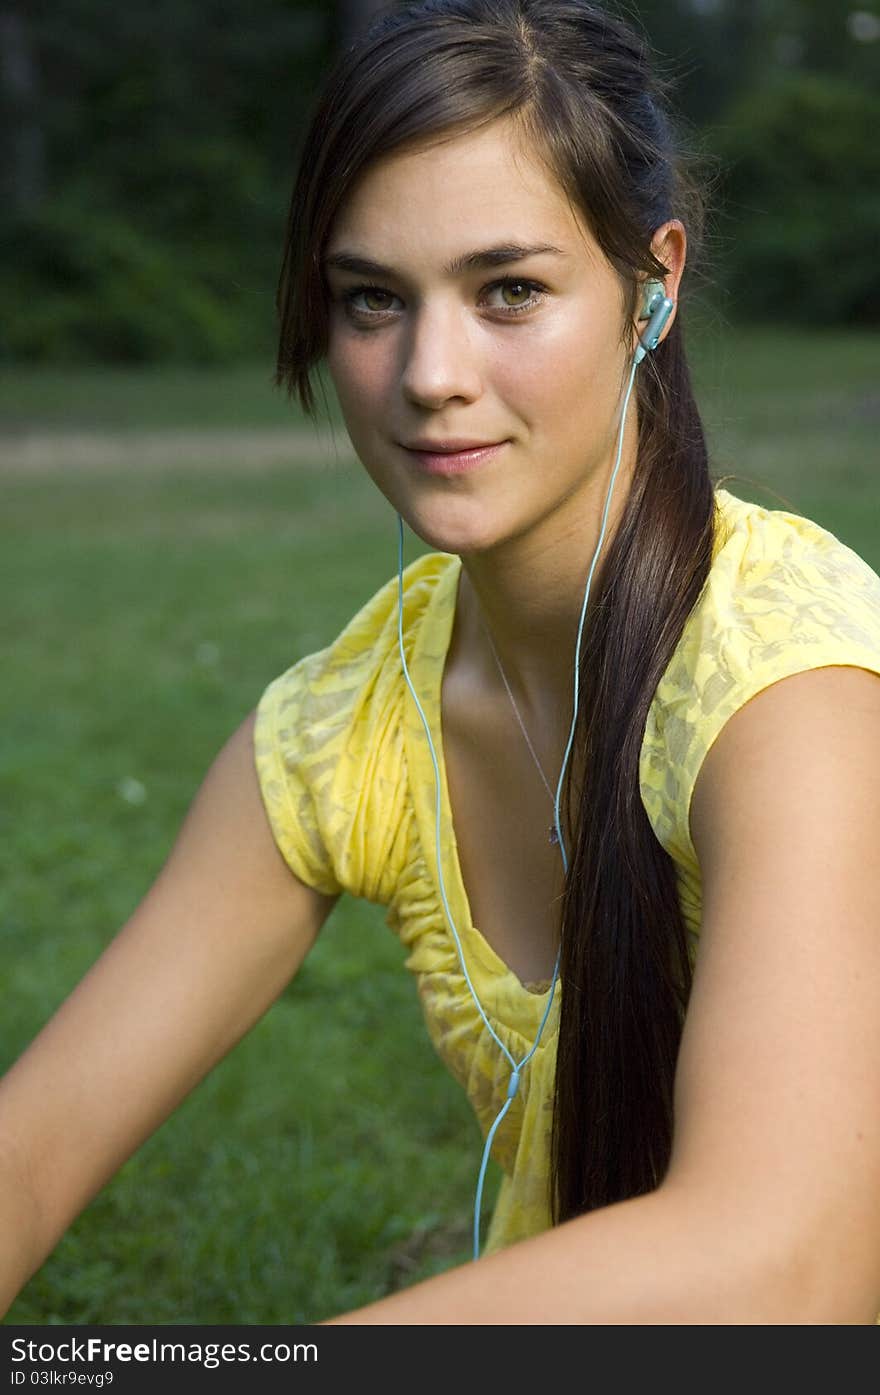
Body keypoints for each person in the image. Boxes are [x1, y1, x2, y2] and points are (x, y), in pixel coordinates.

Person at [3, 0, 880, 1325]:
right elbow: (32, 1149)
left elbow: (784, 1264)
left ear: (657, 282)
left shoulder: (785, 684)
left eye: (509, 290)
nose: (428, 374)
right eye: (372, 300)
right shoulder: (352, 730)